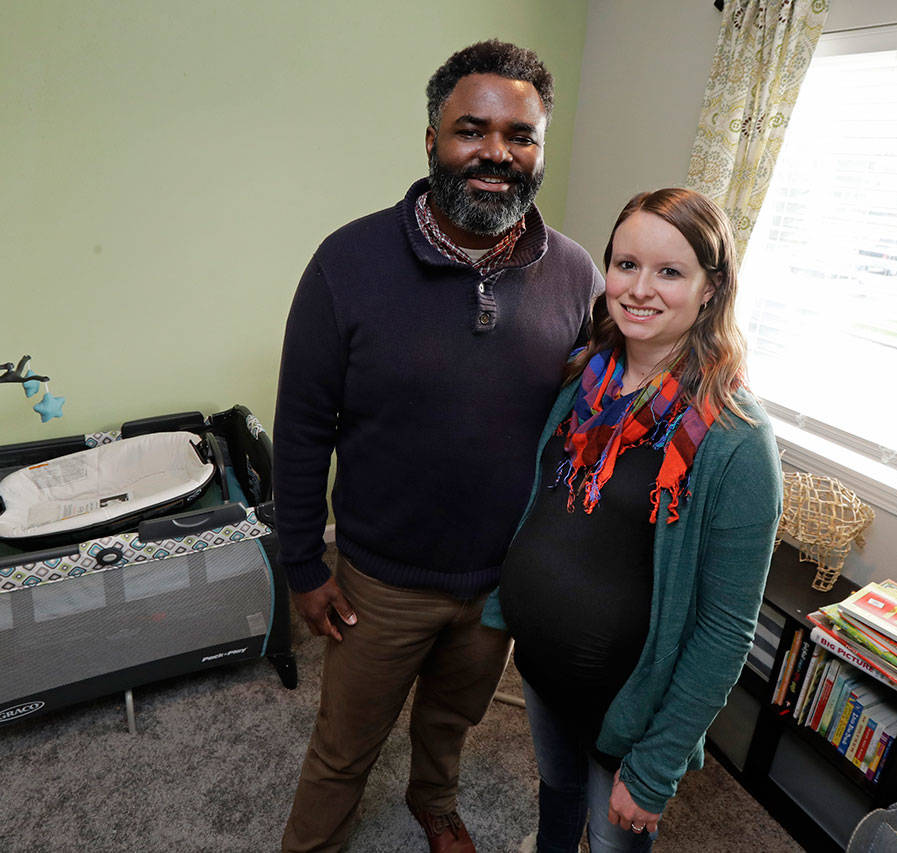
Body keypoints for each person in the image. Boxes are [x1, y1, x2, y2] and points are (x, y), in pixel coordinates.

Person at [274, 40, 604, 853]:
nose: (497, 152)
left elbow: (590, 419)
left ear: (540, 150)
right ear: (432, 141)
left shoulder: (576, 275)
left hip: (498, 581)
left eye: (520, 135)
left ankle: (435, 800)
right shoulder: (347, 262)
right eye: (471, 130)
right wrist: (303, 564)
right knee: (344, 745)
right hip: (381, 581)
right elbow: (303, 424)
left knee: (453, 718)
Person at [484, 188, 783, 852]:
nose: (640, 289)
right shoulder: (585, 378)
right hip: (542, 667)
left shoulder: (737, 440)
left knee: (614, 839)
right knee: (557, 791)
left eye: (669, 271)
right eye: (626, 265)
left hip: (626, 705)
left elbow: (726, 630)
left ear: (711, 288)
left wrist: (654, 769)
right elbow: (546, 505)